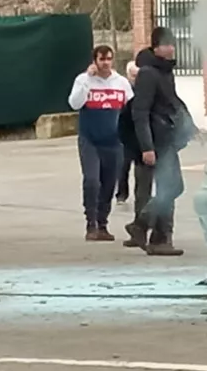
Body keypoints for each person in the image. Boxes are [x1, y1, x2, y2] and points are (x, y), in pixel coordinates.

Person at [124, 27, 195, 256]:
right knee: (173, 186)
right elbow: (140, 112)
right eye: (167, 44)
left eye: (173, 44)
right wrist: (147, 147)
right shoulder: (148, 73)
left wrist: (190, 126)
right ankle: (145, 227)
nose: (172, 48)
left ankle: (158, 237)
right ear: (157, 47)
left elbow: (172, 102)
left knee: (170, 187)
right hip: (156, 142)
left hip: (168, 139)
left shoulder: (165, 72)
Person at [68, 44, 133, 241]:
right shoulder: (83, 80)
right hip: (90, 140)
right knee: (92, 181)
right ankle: (91, 224)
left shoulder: (120, 82)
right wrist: (87, 81)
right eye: (101, 59)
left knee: (109, 184)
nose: (105, 63)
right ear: (94, 61)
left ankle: (103, 224)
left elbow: (132, 108)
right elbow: (75, 103)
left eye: (108, 59)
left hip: (114, 142)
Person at [114, 59, 141, 205]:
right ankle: (121, 194)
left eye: (137, 75)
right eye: (133, 75)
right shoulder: (124, 89)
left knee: (141, 167)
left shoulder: (144, 89)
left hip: (139, 133)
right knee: (123, 166)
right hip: (125, 134)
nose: (135, 78)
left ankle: (140, 194)